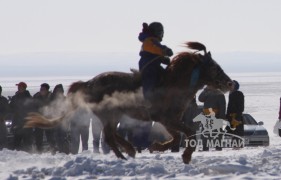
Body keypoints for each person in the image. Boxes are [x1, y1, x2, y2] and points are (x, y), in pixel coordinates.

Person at [138, 22, 173, 102]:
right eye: (161, 32)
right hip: (148, 66)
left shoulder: (152, 40)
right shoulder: (149, 41)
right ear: (157, 32)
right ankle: (148, 101)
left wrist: (164, 59)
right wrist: (165, 50)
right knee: (150, 80)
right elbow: (155, 49)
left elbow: (154, 54)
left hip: (153, 65)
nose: (162, 34)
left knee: (165, 76)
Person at [199, 85, 226, 151]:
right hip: (207, 115)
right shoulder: (207, 92)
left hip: (216, 117)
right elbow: (200, 99)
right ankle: (205, 148)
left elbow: (223, 107)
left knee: (218, 134)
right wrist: (205, 90)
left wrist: (221, 118)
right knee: (205, 134)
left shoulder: (219, 93)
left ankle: (218, 148)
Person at [9, 82, 33, 152]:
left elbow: (32, 109)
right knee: (16, 142)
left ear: (24, 88)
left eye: (20, 86)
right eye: (18, 86)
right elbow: (10, 108)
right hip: (17, 123)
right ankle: (17, 158)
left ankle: (29, 157)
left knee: (27, 143)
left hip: (27, 124)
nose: (18, 88)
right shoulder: (15, 97)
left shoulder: (29, 98)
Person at [33, 83, 55, 153]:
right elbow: (33, 106)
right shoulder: (37, 97)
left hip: (48, 120)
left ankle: (53, 152)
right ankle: (39, 152)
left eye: (43, 89)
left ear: (47, 90)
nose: (41, 91)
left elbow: (55, 107)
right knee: (38, 138)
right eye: (40, 89)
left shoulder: (51, 97)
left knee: (50, 137)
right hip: (39, 120)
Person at [50, 84, 70, 154]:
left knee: (63, 137)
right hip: (55, 121)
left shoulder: (65, 99)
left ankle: (65, 151)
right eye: (57, 90)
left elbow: (68, 109)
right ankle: (56, 151)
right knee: (55, 137)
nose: (58, 92)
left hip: (64, 121)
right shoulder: (52, 99)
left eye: (60, 90)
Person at [226, 80, 244, 148]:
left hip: (236, 116)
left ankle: (238, 147)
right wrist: (227, 116)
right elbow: (229, 107)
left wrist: (237, 117)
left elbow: (241, 107)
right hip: (231, 116)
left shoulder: (239, 94)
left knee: (237, 133)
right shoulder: (231, 94)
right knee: (233, 133)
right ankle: (235, 147)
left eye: (232, 84)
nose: (230, 86)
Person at [0, 85, 10, 150]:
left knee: (3, 136)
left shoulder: (3, 99)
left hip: (1, 121)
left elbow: (7, 110)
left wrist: (2, 116)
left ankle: (3, 149)